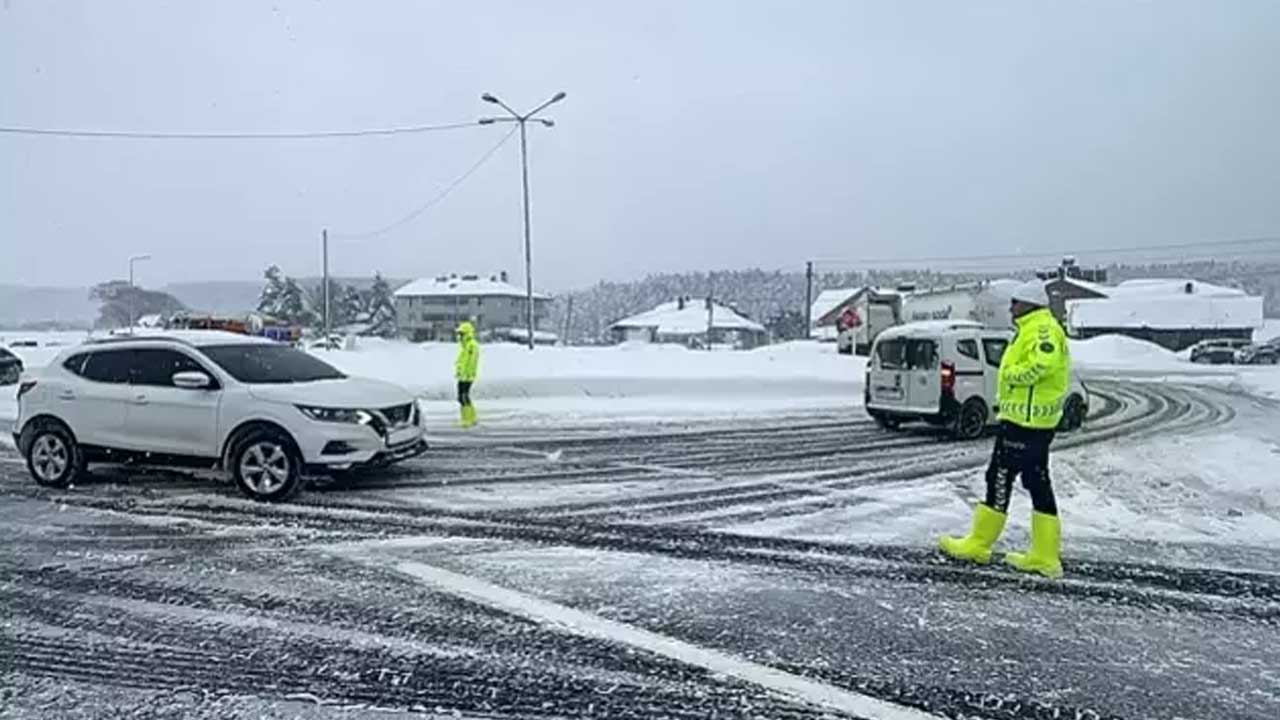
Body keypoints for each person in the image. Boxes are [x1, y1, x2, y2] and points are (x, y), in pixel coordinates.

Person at [939, 280, 1070, 578]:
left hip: (1026, 423)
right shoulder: (1035, 327)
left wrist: (1012, 375)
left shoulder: (1041, 330)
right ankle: (1044, 555)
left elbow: (1044, 364)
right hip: (1032, 422)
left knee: (1000, 475)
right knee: (1036, 482)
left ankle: (980, 544)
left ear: (1029, 304)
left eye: (1015, 303)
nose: (1011, 308)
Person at [454, 321, 480, 428]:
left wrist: (467, 374)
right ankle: (471, 418)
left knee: (463, 397)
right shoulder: (465, 345)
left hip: (466, 376)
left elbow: (472, 362)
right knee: (462, 397)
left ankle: (468, 419)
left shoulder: (471, 345)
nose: (459, 336)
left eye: (461, 333)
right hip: (463, 376)